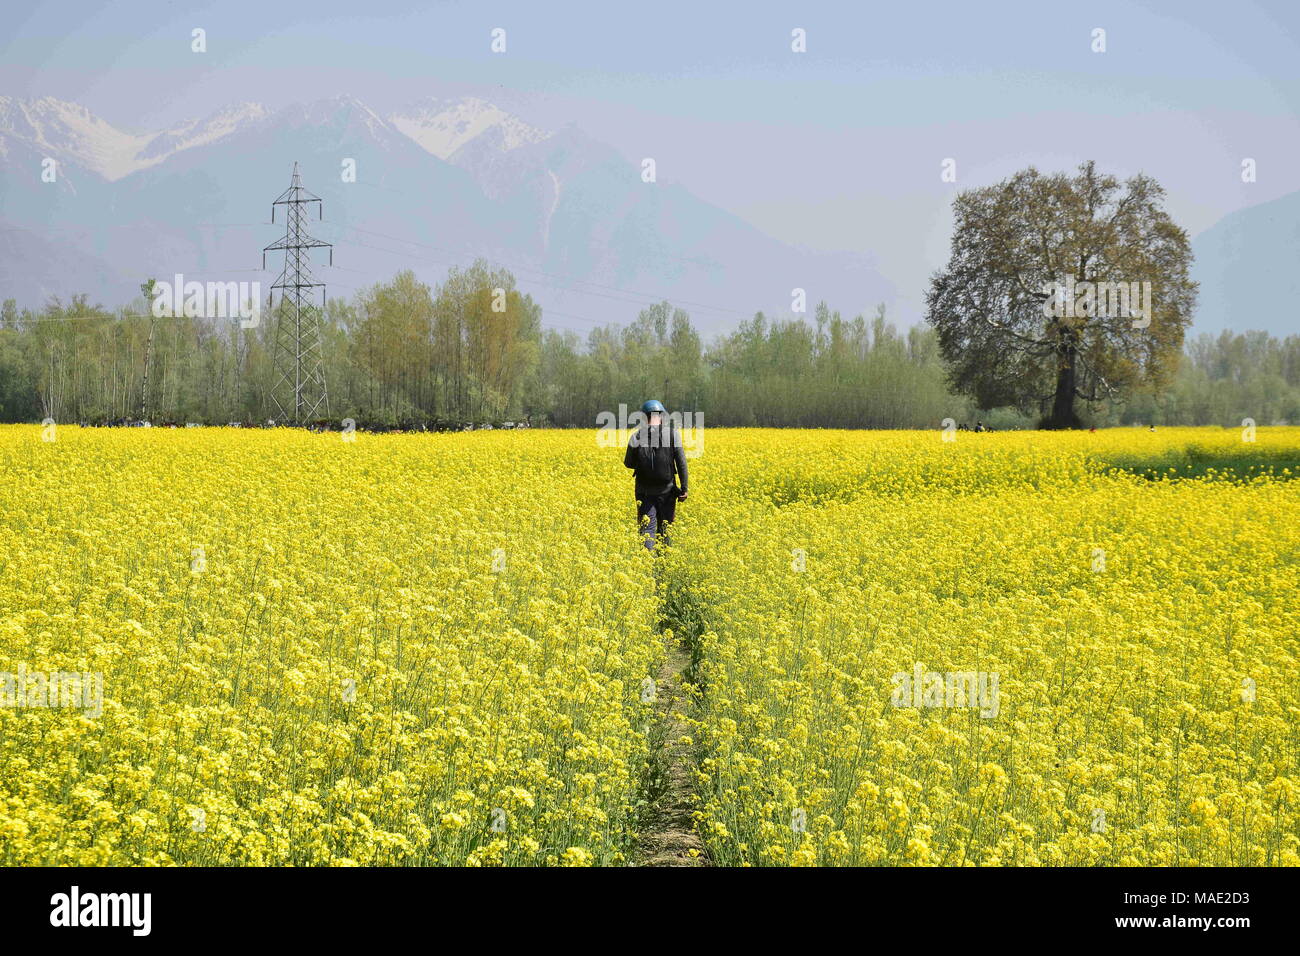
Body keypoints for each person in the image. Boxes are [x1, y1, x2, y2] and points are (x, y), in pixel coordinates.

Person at [624, 399, 688, 550]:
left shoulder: (636, 437)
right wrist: (684, 488)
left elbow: (628, 463)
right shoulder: (673, 435)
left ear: (645, 417)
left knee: (647, 532)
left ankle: (647, 567)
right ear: (661, 416)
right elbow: (681, 463)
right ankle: (663, 569)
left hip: (644, 493)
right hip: (667, 492)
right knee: (665, 532)